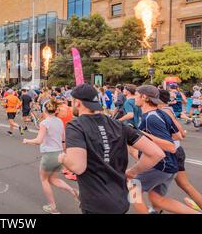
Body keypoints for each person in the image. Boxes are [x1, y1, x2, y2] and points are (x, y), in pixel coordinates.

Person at [58, 83, 166, 214]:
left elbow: (77, 167)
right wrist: (132, 171)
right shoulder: (118, 125)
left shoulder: (76, 126)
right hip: (120, 199)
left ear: (78, 103)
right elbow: (157, 153)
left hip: (95, 202)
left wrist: (62, 157)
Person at [133, 85, 198, 214]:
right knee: (156, 199)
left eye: (136, 95)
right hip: (168, 165)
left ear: (144, 97)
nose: (134, 98)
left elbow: (170, 146)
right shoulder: (161, 113)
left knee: (133, 188)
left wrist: (143, 135)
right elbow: (176, 136)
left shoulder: (150, 118)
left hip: (160, 165)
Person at [158, 90, 202, 214]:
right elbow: (180, 133)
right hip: (175, 150)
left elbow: (179, 135)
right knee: (186, 183)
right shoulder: (168, 110)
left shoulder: (162, 112)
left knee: (153, 192)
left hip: (169, 152)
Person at [23, 98, 79, 214]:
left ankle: (52, 207)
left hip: (49, 155)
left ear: (44, 110)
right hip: (59, 154)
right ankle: (73, 191)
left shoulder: (45, 123)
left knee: (44, 180)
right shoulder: (59, 121)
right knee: (53, 178)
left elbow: (38, 140)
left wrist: (27, 140)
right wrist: (62, 152)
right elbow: (63, 140)